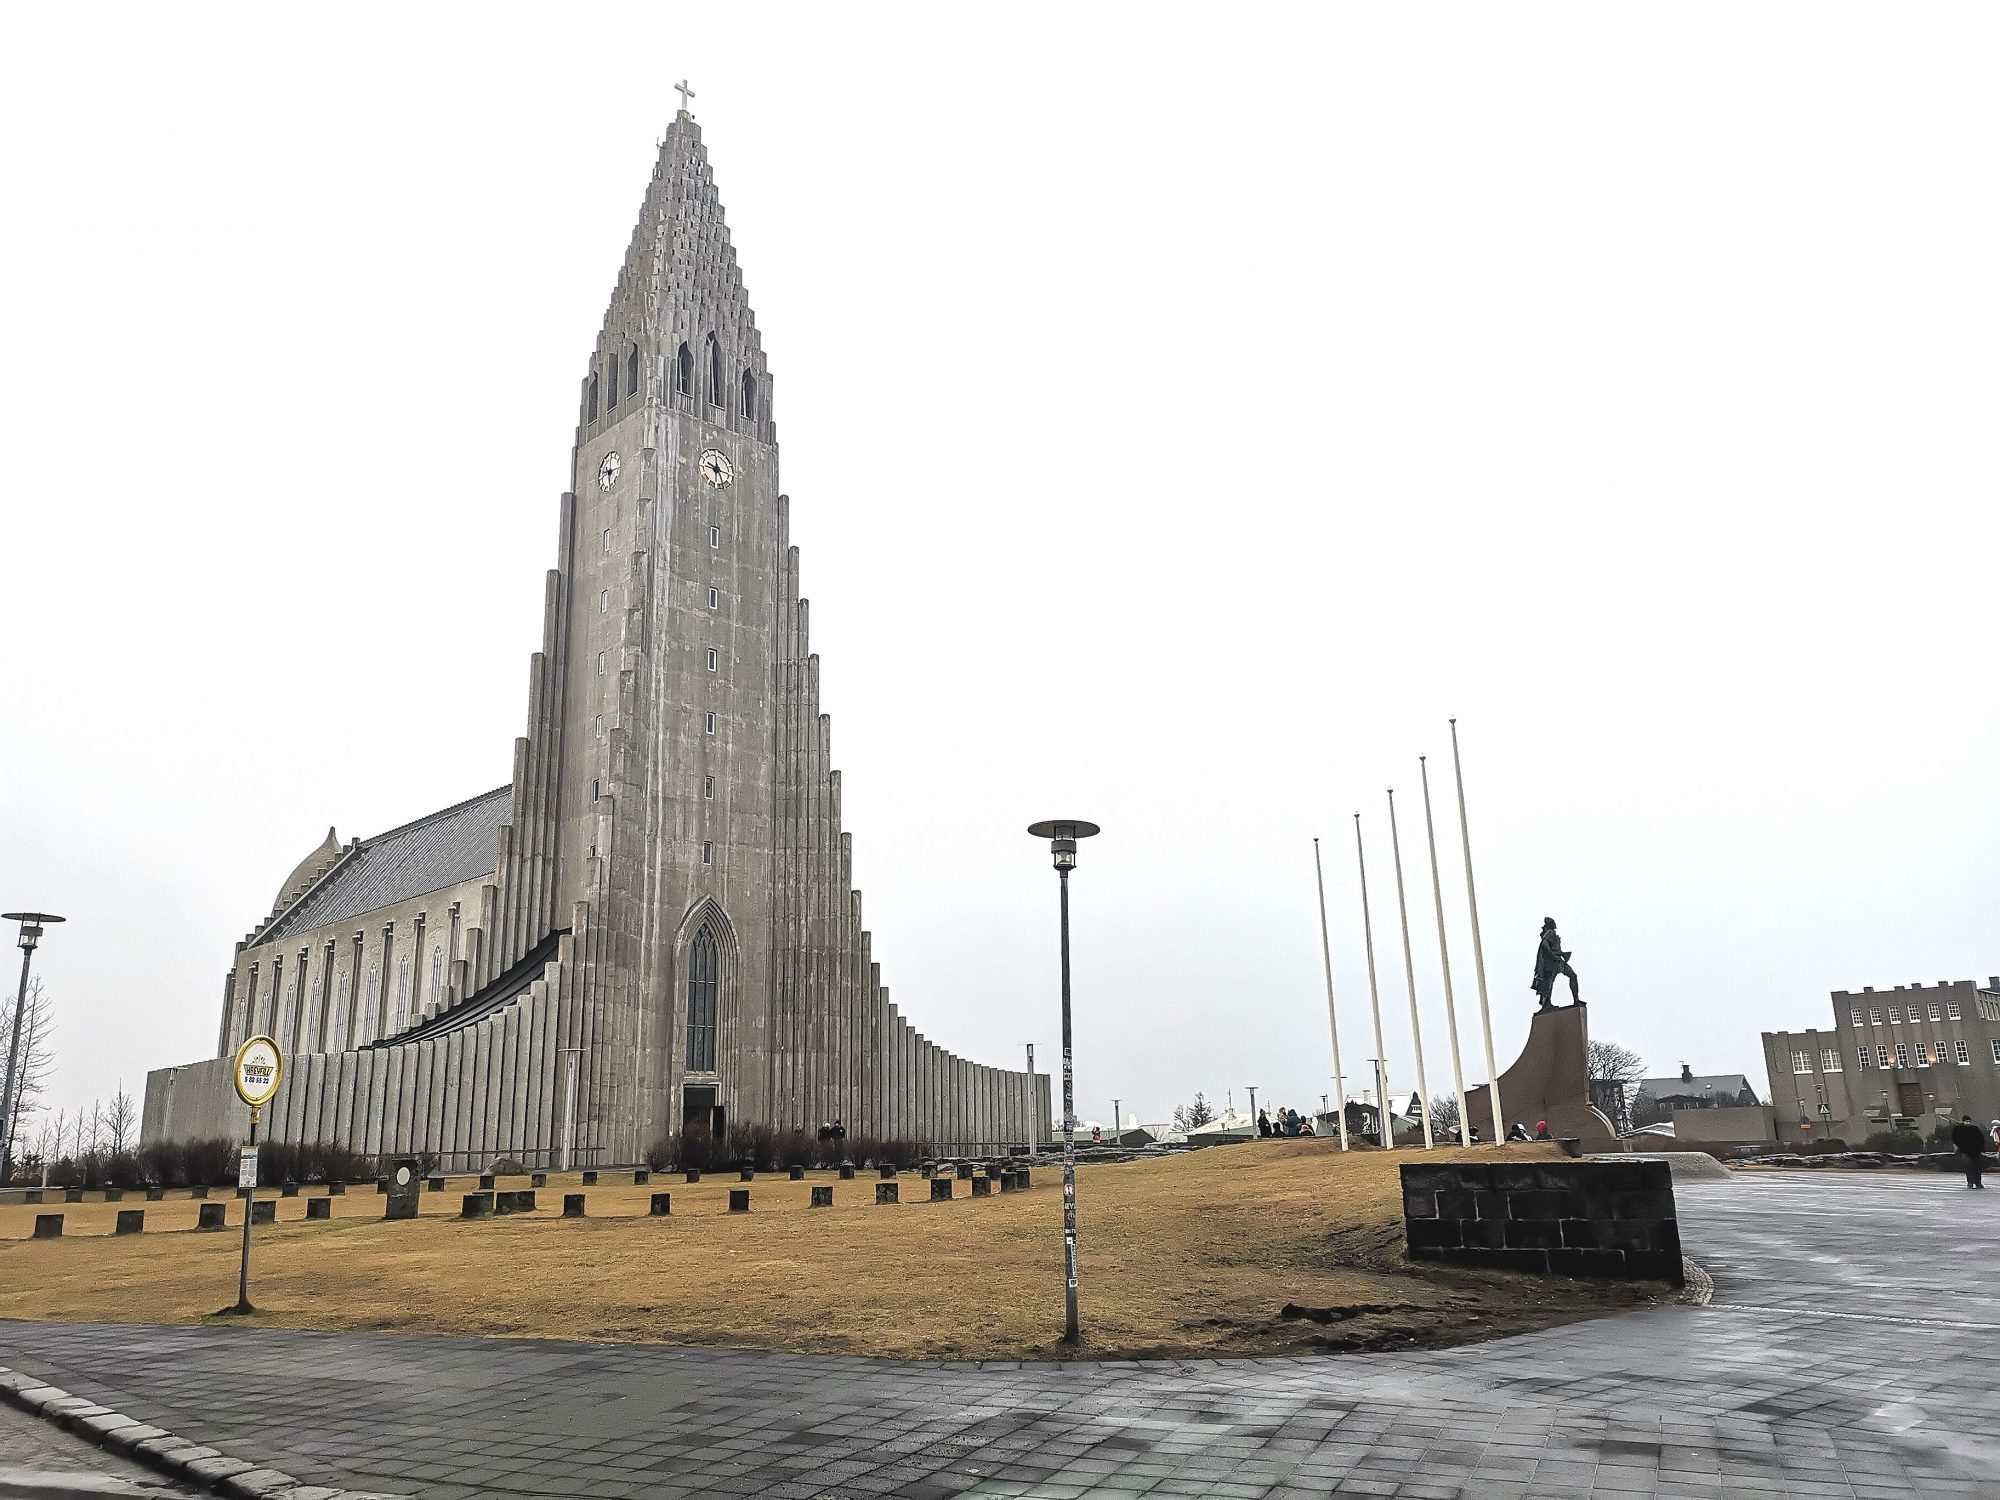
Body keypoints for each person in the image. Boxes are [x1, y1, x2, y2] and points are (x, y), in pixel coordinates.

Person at [1950, 1115, 1987, 1189]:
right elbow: (1955, 1138)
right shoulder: (1958, 1129)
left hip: (1976, 1151)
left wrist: (1981, 1149)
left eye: (1969, 1121)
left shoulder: (1975, 1129)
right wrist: (1959, 1147)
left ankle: (1978, 1182)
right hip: (1965, 1151)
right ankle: (1970, 1182)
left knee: (1977, 1167)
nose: (1968, 1123)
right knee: (1968, 1167)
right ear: (1963, 1121)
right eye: (1966, 1121)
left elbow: (1981, 1139)